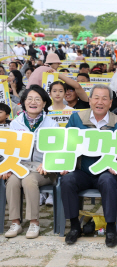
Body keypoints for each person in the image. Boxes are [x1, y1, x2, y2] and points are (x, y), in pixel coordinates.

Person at [60, 84, 117, 247]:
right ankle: (75, 226)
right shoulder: (77, 118)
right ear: (89, 100)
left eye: (105, 98)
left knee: (107, 181)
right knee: (67, 181)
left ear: (110, 103)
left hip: (105, 171)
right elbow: (67, 145)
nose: (100, 102)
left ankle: (111, 228)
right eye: (96, 97)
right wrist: (64, 163)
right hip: (82, 170)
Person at [2, 85, 58, 239]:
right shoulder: (15, 123)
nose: (33, 102)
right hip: (21, 166)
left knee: (28, 181)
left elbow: (57, 149)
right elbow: (10, 150)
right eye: (29, 99)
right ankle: (16, 223)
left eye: (37, 99)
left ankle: (34, 223)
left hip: (44, 168)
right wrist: (7, 167)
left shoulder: (52, 124)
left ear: (44, 103)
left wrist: (47, 163)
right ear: (24, 102)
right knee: (12, 181)